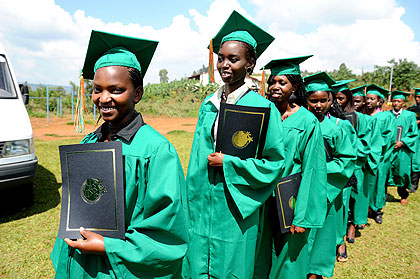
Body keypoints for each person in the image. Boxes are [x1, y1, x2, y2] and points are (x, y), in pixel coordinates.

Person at [50, 30, 188, 279]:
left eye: (115, 90)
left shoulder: (155, 151)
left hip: (117, 267)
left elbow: (167, 230)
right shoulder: (89, 140)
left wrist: (108, 246)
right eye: (97, 89)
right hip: (81, 262)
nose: (104, 98)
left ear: (137, 93)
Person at [182, 11, 285, 279]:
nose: (224, 64)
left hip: (236, 204)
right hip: (202, 202)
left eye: (233, 59)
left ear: (249, 64)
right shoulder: (209, 104)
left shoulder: (262, 108)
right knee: (197, 261)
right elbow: (196, 159)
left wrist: (229, 162)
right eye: (221, 58)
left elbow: (274, 162)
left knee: (231, 266)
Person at [262, 56, 327, 279]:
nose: (275, 87)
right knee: (261, 256)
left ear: (295, 87)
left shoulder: (307, 121)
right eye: (272, 82)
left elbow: (313, 169)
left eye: (282, 82)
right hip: (261, 198)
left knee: (288, 261)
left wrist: (302, 216)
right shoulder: (264, 115)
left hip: (290, 199)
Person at [304, 72, 356, 278]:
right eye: (313, 100)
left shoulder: (338, 127)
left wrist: (317, 172)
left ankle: (315, 272)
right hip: (300, 187)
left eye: (323, 100)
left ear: (331, 100)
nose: (318, 105)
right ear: (305, 100)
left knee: (322, 233)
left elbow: (345, 162)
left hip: (326, 189)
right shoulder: (300, 123)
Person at [333, 81, 371, 260]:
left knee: (345, 204)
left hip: (349, 167)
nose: (337, 102)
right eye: (335, 98)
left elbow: (362, 145)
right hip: (332, 169)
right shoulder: (323, 118)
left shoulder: (354, 119)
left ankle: (342, 240)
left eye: (341, 98)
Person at [364, 84, 396, 223]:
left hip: (380, 157)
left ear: (379, 101)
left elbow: (388, 138)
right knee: (365, 184)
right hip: (364, 156)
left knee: (378, 182)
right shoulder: (363, 116)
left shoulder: (386, 117)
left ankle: (376, 210)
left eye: (372, 99)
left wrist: (373, 146)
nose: (368, 101)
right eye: (367, 98)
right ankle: (363, 209)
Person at [386, 90, 419, 204]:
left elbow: (414, 133)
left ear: (403, 103)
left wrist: (403, 142)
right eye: (394, 101)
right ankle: (383, 195)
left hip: (403, 149)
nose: (396, 103)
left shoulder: (409, 115)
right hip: (389, 149)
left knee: (402, 173)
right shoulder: (387, 115)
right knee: (386, 171)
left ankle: (403, 195)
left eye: (398, 101)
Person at [408, 88, 420, 193]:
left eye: (419, 97)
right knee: (415, 160)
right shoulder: (411, 109)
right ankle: (413, 184)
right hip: (414, 138)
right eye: (416, 96)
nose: (417, 99)